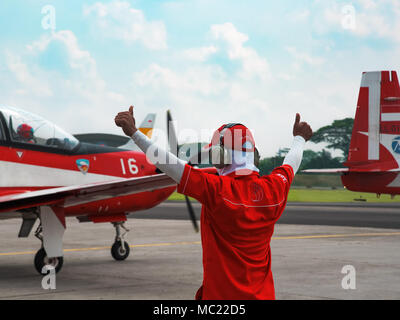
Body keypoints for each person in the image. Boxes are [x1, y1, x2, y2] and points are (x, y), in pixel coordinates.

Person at [115, 106, 312, 300]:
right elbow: (291, 163)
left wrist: (134, 133)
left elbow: (170, 165)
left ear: (223, 155)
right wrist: (299, 138)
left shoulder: (216, 189)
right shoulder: (274, 188)